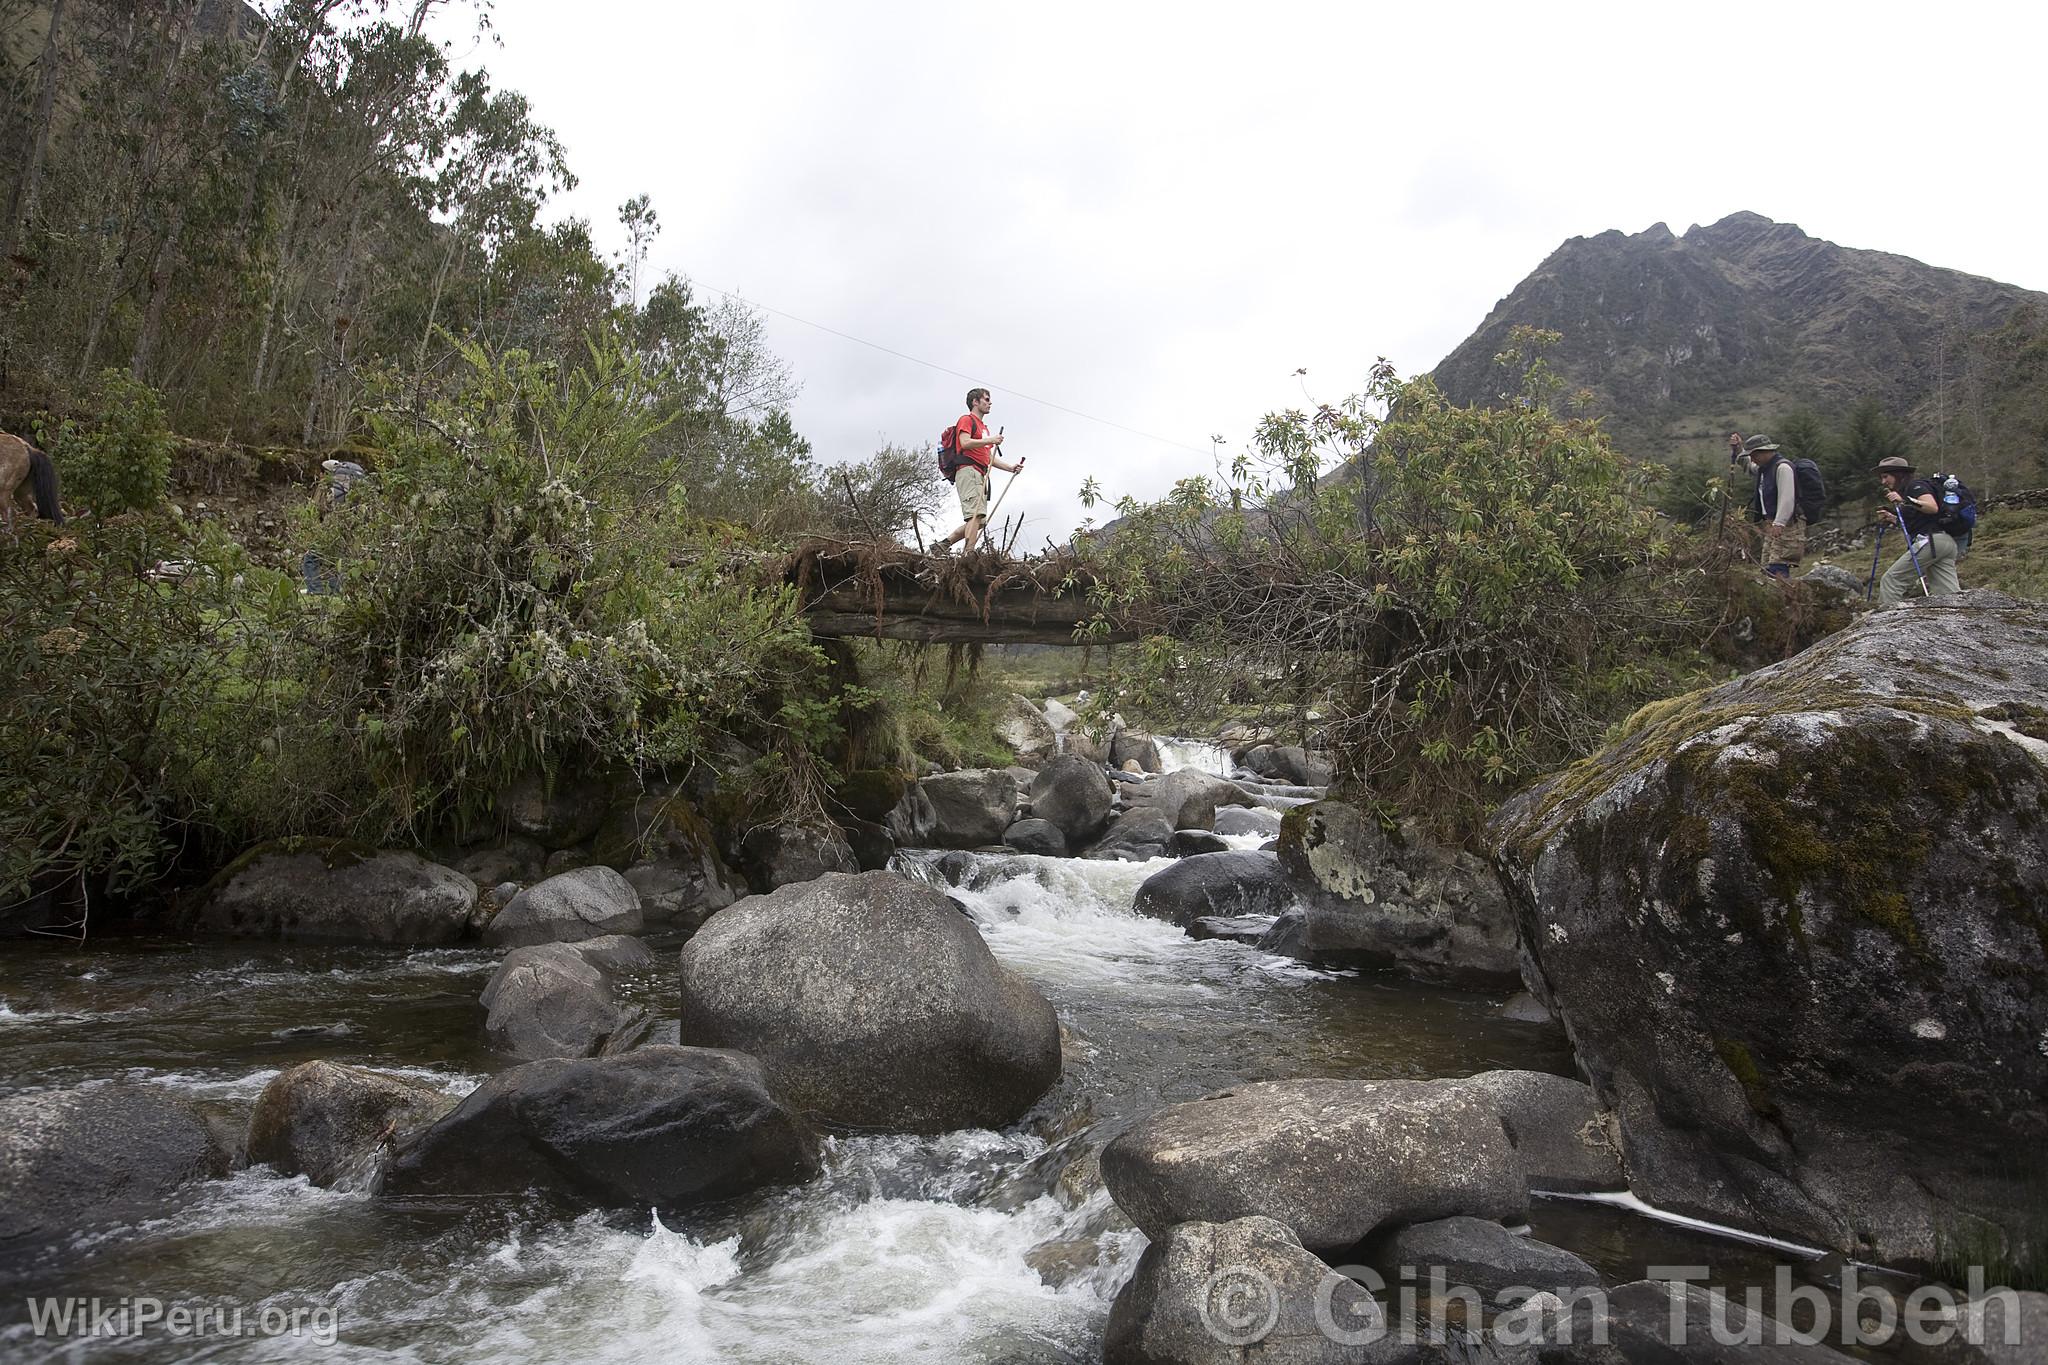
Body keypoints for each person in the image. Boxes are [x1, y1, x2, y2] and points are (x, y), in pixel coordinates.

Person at [936, 388, 1023, 554]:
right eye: (986, 399)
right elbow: (965, 442)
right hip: (968, 471)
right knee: (974, 516)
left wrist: (1010, 468)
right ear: (975, 402)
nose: (990, 403)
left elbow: (987, 457)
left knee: (980, 520)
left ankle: (943, 544)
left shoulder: (983, 428)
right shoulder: (967, 420)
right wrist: (991, 439)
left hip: (980, 473)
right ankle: (968, 554)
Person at [1875, 455, 1961, 605]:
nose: (1883, 482)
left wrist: (1904, 501)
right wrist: (1892, 518)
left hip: (1931, 542)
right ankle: (1960, 622)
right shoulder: (1911, 489)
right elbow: (1918, 521)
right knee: (1948, 594)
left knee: (1891, 580)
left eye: (1885, 476)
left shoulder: (1915, 486)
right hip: (1945, 543)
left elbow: (1932, 507)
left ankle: (1888, 623)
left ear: (1898, 474)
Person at [1742, 433, 1805, 578]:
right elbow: (1748, 466)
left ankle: (1783, 595)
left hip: (1787, 524)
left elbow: (1787, 497)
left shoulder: (1782, 468)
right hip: (1772, 523)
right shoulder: (1764, 469)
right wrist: (1737, 449)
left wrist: (1779, 522)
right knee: (1767, 565)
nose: (1752, 459)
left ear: (1764, 452)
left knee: (1778, 564)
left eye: (1754, 455)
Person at [302, 457, 364, 594]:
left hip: (329, 527)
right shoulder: (348, 487)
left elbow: (319, 508)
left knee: (310, 559)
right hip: (347, 526)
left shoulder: (326, 487)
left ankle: (315, 590)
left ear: (325, 473)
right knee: (335, 560)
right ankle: (335, 591)